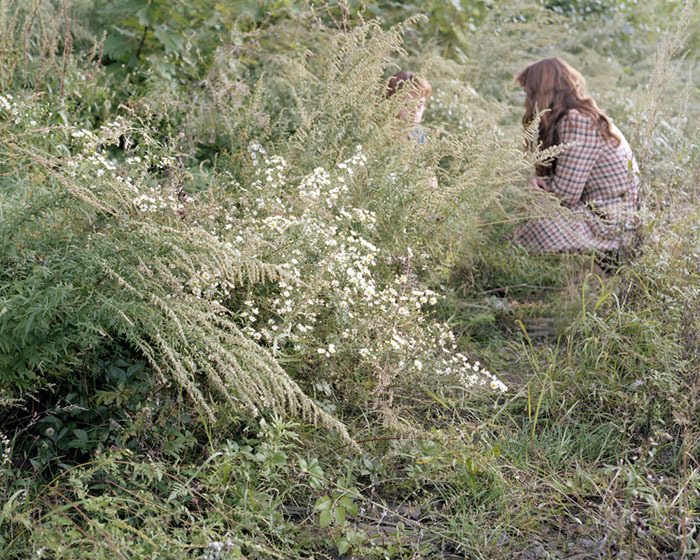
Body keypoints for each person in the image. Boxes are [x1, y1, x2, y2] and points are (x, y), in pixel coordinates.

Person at [514, 57, 640, 258]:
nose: (526, 100)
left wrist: (536, 190)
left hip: (610, 222)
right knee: (524, 217)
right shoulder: (577, 116)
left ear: (541, 91)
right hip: (605, 215)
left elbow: (567, 194)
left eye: (529, 92)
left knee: (531, 226)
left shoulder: (577, 120)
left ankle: (595, 278)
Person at [384, 71, 432, 144]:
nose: (414, 112)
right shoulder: (374, 133)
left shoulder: (418, 134)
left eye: (420, 105)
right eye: (407, 105)